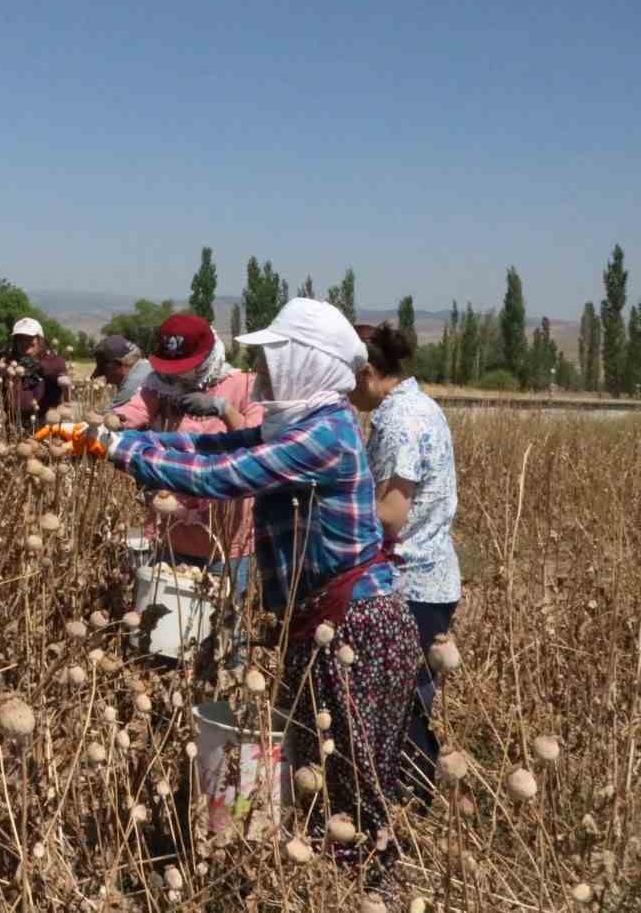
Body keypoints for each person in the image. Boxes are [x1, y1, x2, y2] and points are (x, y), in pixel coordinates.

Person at [97, 299, 417, 889]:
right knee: (320, 766)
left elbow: (223, 478)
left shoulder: (324, 433)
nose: (263, 375)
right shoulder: (297, 423)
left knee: (352, 779)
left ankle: (372, 889)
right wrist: (109, 440)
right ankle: (332, 882)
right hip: (319, 621)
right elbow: (214, 449)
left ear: (304, 364)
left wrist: (120, 452)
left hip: (355, 626)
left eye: (274, 362)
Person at [351, 322, 461, 810]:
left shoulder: (398, 421)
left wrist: (336, 511)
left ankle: (411, 802)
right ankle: (413, 801)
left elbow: (392, 515)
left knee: (402, 705)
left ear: (369, 372)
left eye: (348, 378)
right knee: (413, 699)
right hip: (433, 574)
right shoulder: (423, 406)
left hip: (411, 580)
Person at [113, 314, 262, 596]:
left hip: (225, 539)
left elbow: (257, 446)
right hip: (170, 529)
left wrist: (224, 409)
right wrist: (104, 427)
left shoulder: (244, 386)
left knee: (223, 624)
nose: (177, 375)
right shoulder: (158, 385)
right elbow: (133, 413)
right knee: (163, 619)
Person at [0, 317, 68, 433]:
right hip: (14, 428)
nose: (24, 342)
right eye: (20, 339)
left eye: (29, 338)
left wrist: (39, 366)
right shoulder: (10, 364)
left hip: (46, 428)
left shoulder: (53, 360)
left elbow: (59, 371)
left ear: (39, 339)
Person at [91, 335, 153, 410]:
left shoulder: (132, 385)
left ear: (116, 365)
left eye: (105, 373)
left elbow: (108, 416)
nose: (107, 381)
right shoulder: (147, 365)